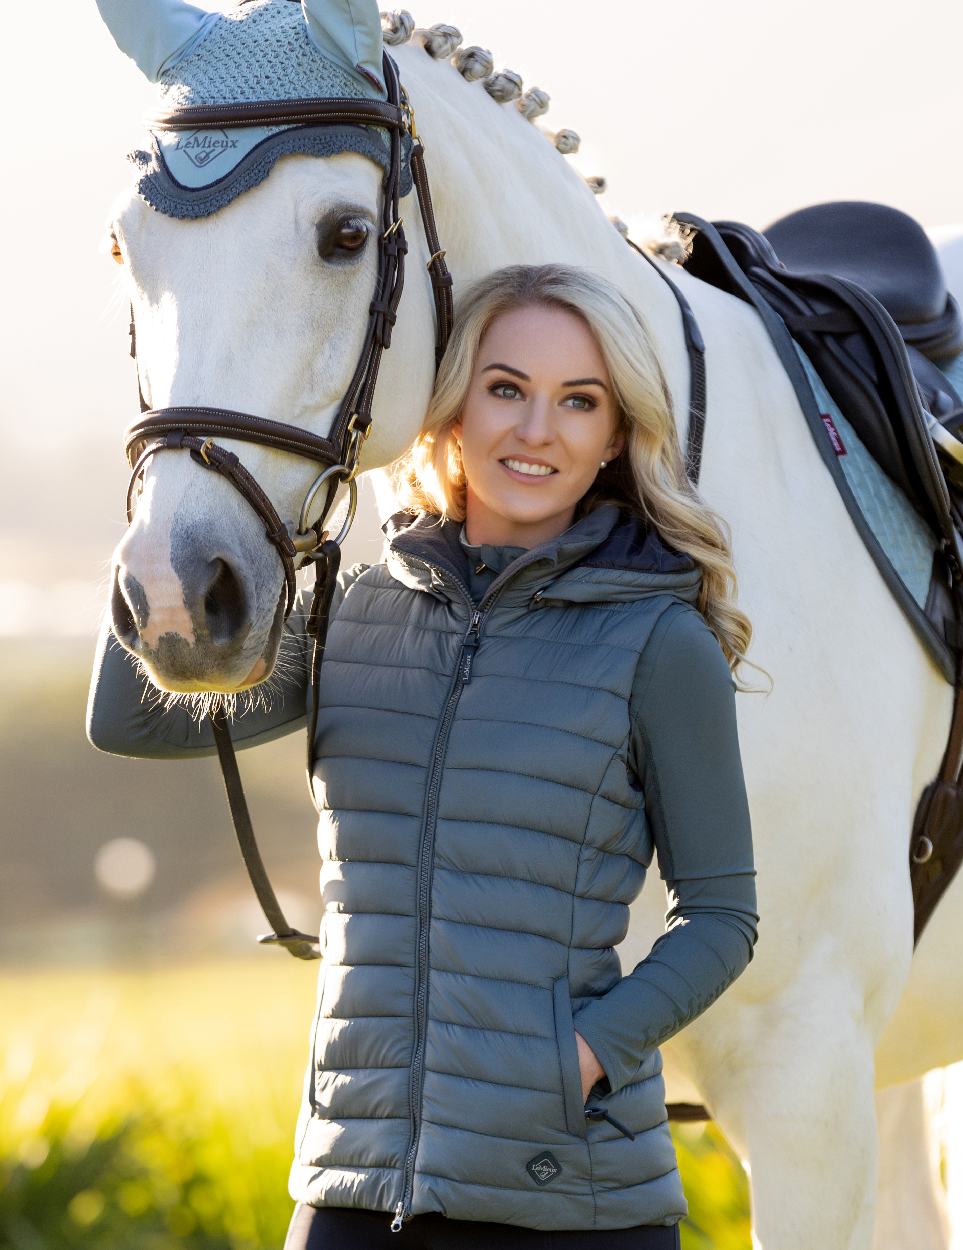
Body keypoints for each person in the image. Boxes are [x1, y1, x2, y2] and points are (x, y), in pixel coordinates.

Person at [88, 263, 763, 1248]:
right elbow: (133, 718)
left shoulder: (660, 642)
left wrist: (579, 1054)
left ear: (615, 436)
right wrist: (177, 483)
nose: (537, 428)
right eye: (505, 388)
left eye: (578, 401)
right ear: (447, 411)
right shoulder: (351, 612)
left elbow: (724, 916)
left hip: (565, 1193)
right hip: (353, 1183)